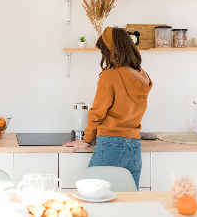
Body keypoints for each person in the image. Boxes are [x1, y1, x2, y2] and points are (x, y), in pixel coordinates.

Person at [62, 27, 152, 189]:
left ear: (112, 51)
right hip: (134, 148)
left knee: (91, 195)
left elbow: (97, 113)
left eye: (104, 51)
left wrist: (86, 140)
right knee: (129, 201)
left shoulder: (110, 76)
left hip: (111, 146)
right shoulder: (143, 76)